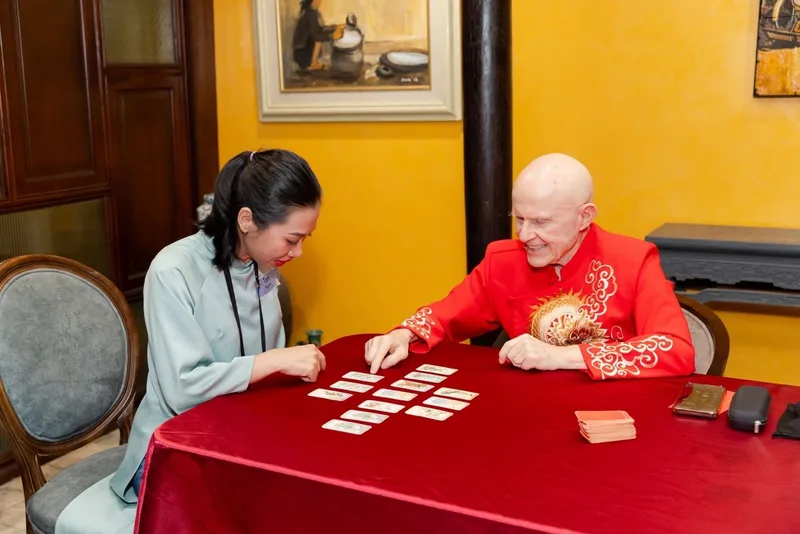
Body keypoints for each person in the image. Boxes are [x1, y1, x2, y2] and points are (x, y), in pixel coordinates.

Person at [109, 148, 327, 504]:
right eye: (292, 239)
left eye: (305, 239)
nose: (298, 252)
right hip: (175, 445)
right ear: (246, 220)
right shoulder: (173, 271)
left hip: (243, 431)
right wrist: (273, 361)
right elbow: (183, 389)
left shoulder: (262, 264)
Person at [364, 153, 695, 380]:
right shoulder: (503, 260)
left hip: (614, 416)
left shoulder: (634, 260)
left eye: (541, 222)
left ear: (585, 217)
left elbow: (675, 350)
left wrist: (560, 357)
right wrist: (404, 334)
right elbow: (445, 316)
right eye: (519, 218)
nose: (525, 235)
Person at [292, 0, 345, 71]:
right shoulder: (310, 14)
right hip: (302, 54)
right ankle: (313, 64)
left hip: (303, 51)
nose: (320, 1)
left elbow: (321, 28)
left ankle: (314, 63)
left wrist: (335, 27)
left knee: (320, 36)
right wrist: (332, 36)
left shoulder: (314, 12)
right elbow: (316, 36)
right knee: (319, 39)